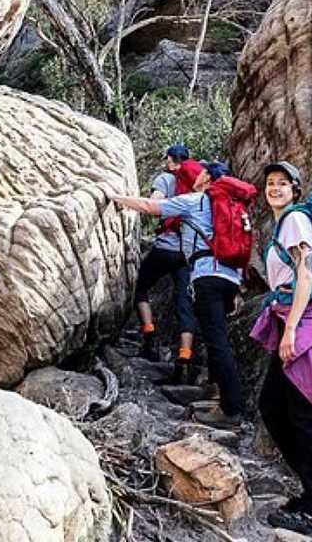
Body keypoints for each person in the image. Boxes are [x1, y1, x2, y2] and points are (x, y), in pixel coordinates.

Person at [250, 161, 312, 539]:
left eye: (282, 183)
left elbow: (306, 273)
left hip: (302, 321)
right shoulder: (284, 223)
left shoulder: (294, 220)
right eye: (269, 183)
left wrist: (290, 329)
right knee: (274, 408)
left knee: (302, 413)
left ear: (295, 190)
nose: (274, 188)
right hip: (292, 319)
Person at [106, 161, 245, 428]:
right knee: (217, 337)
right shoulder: (233, 207)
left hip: (207, 275)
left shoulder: (197, 200)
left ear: (206, 177)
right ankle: (217, 394)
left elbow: (151, 207)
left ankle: (230, 410)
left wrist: (116, 198)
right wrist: (239, 287)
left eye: (202, 171)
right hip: (230, 277)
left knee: (217, 342)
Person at [134, 145, 201, 368]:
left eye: (168, 159)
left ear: (172, 161)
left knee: (140, 285)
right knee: (184, 303)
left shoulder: (165, 179)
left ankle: (149, 333)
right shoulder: (197, 182)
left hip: (165, 249)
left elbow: (154, 202)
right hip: (188, 253)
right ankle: (184, 356)